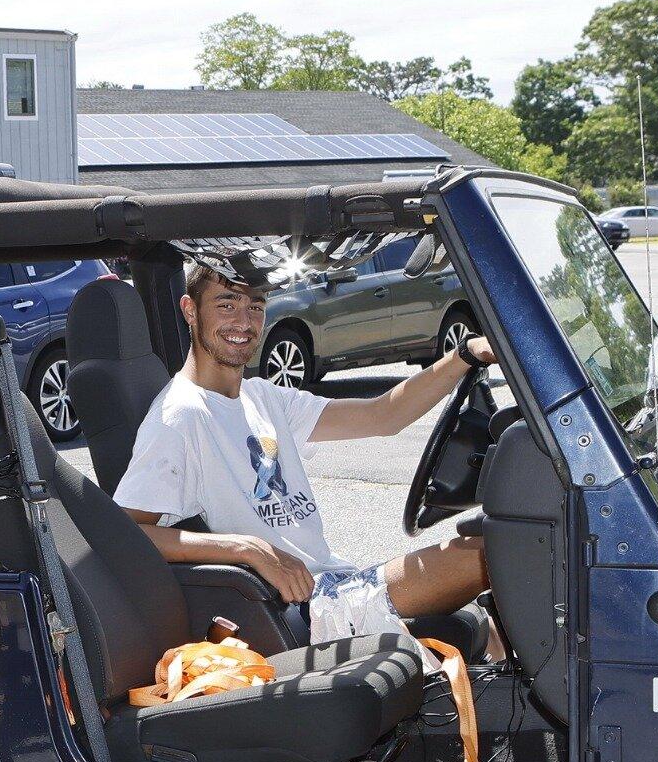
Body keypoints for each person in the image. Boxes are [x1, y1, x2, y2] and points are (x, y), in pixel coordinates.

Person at [112, 250, 493, 642]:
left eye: (255, 307)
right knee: (490, 552)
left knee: (494, 604)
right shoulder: (180, 417)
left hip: (335, 582)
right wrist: (247, 548)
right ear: (191, 311)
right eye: (226, 305)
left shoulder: (263, 397)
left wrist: (465, 354)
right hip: (301, 609)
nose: (243, 322)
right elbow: (126, 533)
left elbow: (384, 415)